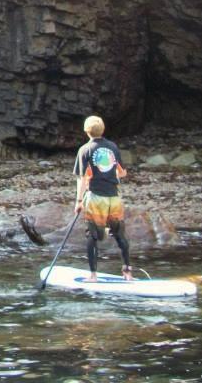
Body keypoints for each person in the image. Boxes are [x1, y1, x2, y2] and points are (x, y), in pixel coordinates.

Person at [73, 115, 132, 281]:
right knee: (120, 235)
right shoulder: (112, 147)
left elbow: (82, 178)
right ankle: (128, 272)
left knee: (92, 236)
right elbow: (122, 172)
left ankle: (93, 275)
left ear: (86, 131)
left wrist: (78, 201)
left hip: (96, 198)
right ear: (103, 129)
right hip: (114, 198)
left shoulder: (85, 150)